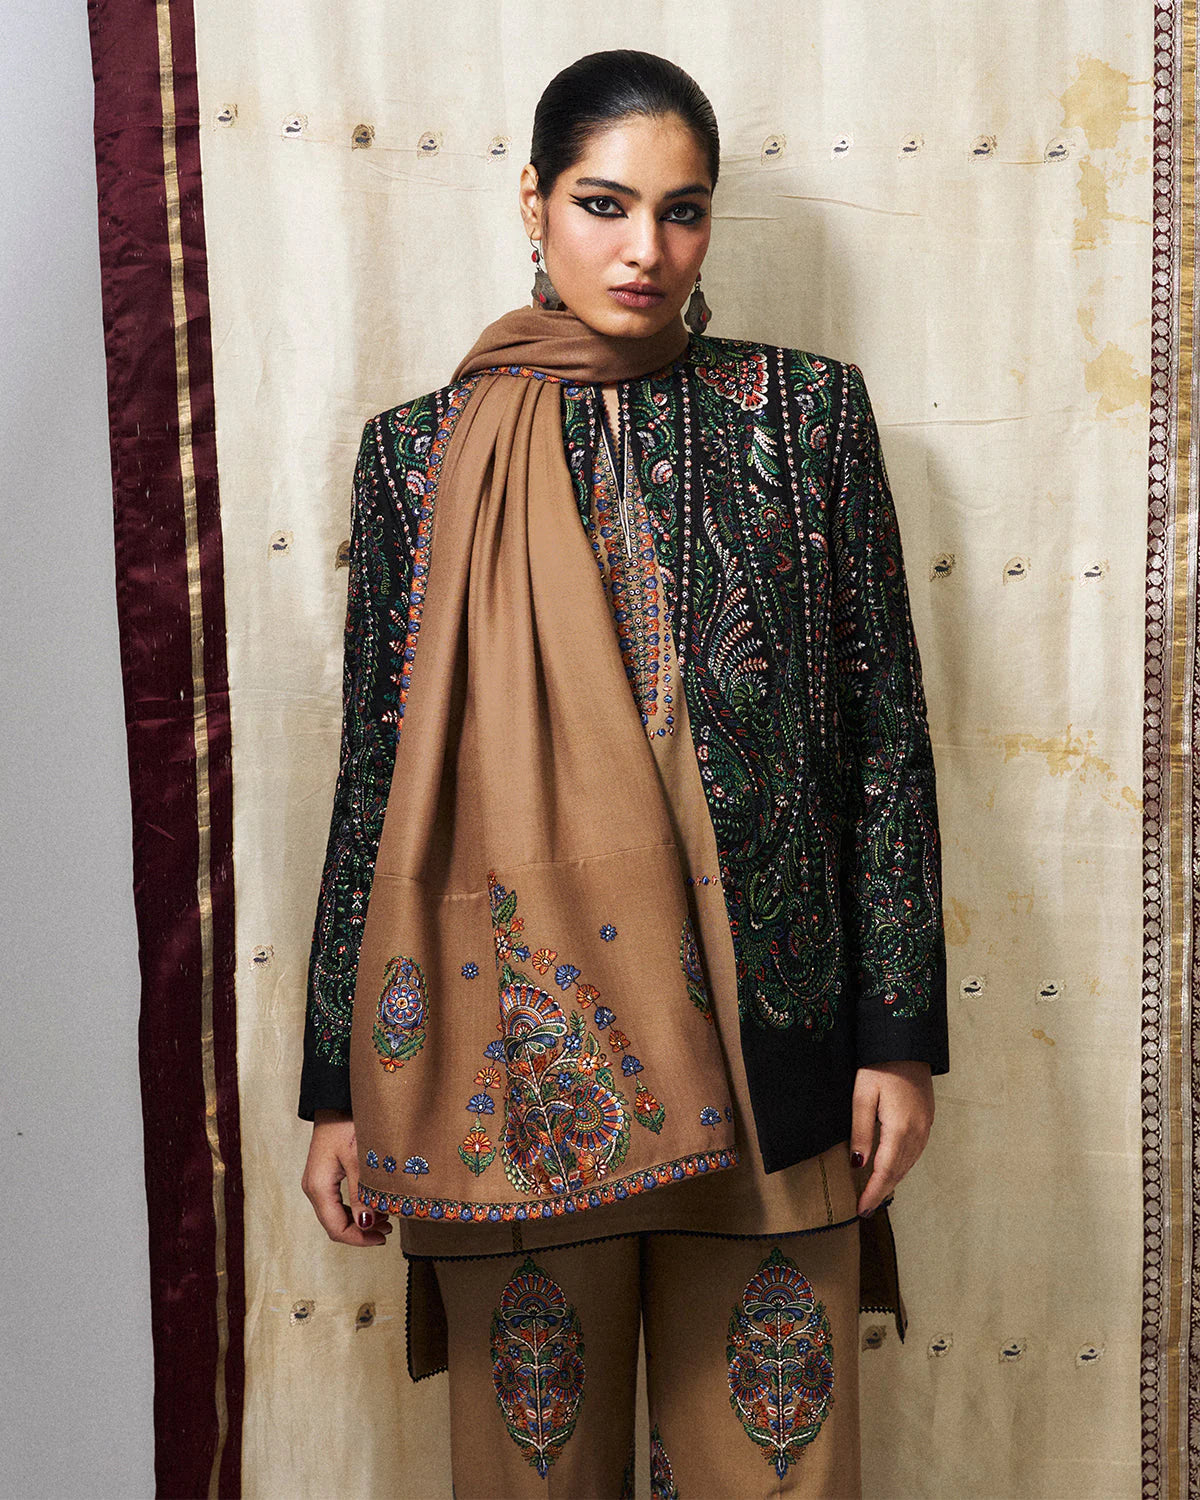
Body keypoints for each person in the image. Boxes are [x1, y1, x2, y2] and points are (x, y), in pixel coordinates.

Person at [299, 48, 948, 1499]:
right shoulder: (417, 457)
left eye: (681, 210)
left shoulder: (805, 418)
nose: (644, 249)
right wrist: (341, 1085)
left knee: (778, 1470)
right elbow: (376, 780)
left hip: (768, 1041)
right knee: (529, 1472)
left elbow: (884, 741)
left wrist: (897, 1037)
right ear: (533, 202)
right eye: (604, 204)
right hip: (512, 1053)